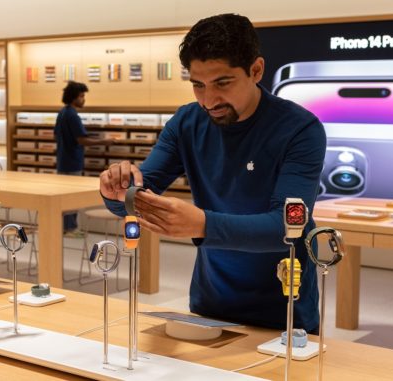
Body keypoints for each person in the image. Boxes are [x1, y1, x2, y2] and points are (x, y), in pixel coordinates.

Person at [99, 14, 327, 332]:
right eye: (197, 85)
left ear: (256, 70)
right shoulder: (186, 123)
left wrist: (201, 224)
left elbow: (287, 227)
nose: (208, 100)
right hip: (210, 302)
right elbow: (141, 190)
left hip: (284, 306)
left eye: (222, 83)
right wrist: (118, 193)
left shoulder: (300, 129)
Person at [54, 81, 114, 236]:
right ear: (73, 97)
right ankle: (71, 228)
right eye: (81, 96)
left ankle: (64, 227)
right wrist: (104, 142)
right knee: (71, 197)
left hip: (62, 161)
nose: (83, 99)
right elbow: (82, 140)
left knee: (63, 196)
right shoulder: (73, 115)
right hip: (72, 162)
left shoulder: (62, 113)